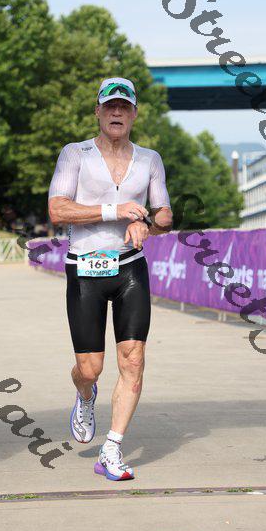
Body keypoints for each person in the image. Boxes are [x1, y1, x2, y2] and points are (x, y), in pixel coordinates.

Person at [48, 77, 173, 481]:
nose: (117, 112)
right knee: (90, 368)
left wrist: (147, 225)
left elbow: (165, 213)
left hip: (130, 268)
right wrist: (114, 211)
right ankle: (85, 394)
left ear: (134, 114)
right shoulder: (75, 154)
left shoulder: (150, 159)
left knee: (133, 359)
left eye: (124, 106)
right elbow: (58, 210)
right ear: (98, 112)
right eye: (110, 106)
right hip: (85, 269)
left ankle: (112, 449)